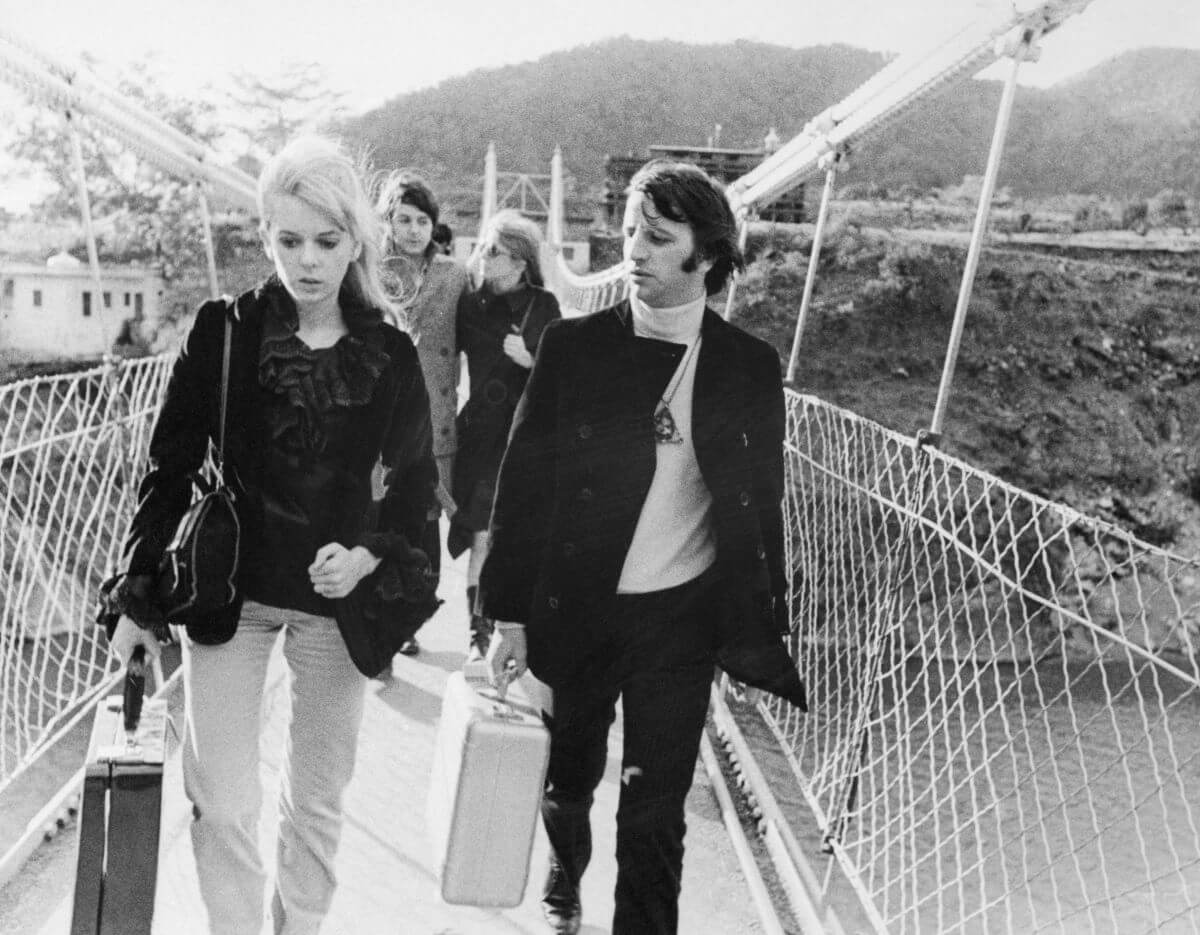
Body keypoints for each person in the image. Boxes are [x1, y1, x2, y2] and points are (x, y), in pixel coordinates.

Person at [103, 136, 439, 935]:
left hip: (337, 605)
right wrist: (135, 596)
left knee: (317, 801)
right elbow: (168, 467)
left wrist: (366, 556)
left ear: (356, 241)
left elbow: (419, 491)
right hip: (231, 593)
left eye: (326, 242)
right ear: (264, 238)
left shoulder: (390, 354)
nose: (307, 262)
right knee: (220, 796)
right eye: (287, 241)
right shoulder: (223, 331)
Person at [479, 161, 807, 935]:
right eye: (630, 230)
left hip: (679, 619)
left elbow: (763, 510)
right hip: (580, 601)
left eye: (658, 237)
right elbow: (522, 487)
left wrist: (760, 631)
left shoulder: (748, 367)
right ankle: (566, 868)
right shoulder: (573, 346)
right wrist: (508, 615)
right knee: (571, 776)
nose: (634, 249)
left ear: (707, 255)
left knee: (655, 814)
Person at [450, 209, 560, 658]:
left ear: (519, 261)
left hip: (523, 441)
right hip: (477, 437)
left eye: (494, 250)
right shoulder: (469, 302)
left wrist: (531, 361)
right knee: (479, 532)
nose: (483, 255)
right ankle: (478, 631)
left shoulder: (546, 306)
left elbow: (565, 380)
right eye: (484, 246)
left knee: (496, 536)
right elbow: (437, 350)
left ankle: (491, 628)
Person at [377, 170, 470, 655]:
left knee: (425, 524)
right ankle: (387, 626)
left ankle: (408, 616)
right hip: (379, 421)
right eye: (404, 219)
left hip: (432, 421)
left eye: (423, 221)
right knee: (379, 519)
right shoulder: (367, 271)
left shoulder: (455, 278)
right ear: (388, 222)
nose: (414, 230)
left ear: (435, 226)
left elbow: (485, 332)